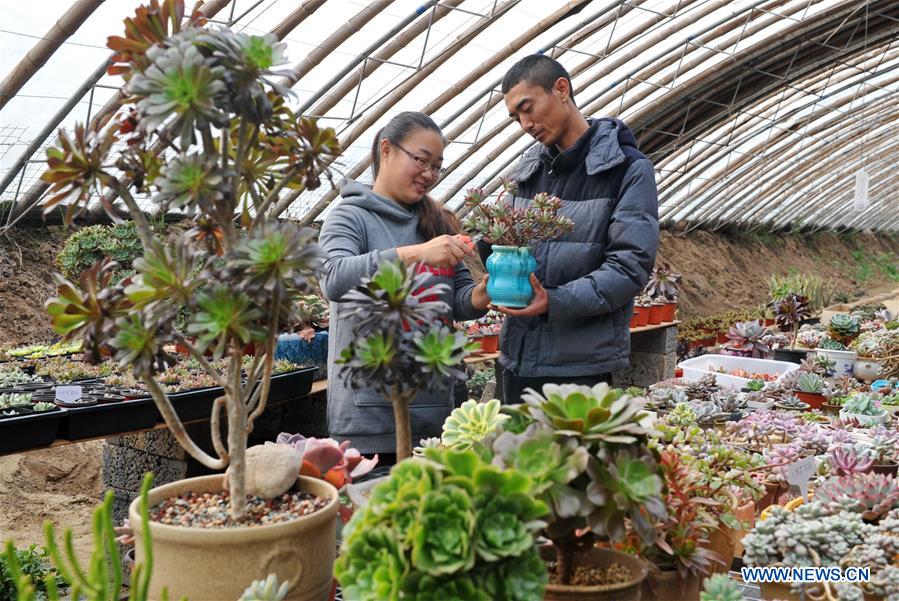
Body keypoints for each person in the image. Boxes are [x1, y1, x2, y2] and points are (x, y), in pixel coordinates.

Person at [480, 54, 660, 404]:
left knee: (574, 460)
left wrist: (554, 301)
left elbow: (629, 266)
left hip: (580, 365)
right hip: (518, 356)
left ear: (561, 89)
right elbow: (505, 248)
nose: (525, 124)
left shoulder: (626, 170)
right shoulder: (527, 171)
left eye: (528, 108)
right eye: (516, 117)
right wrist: (488, 242)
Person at [319, 111, 489, 460]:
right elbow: (333, 278)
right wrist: (416, 254)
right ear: (386, 150)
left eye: (437, 166)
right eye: (421, 161)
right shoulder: (350, 216)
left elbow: (456, 302)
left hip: (435, 414)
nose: (429, 174)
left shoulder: (436, 220)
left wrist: (481, 294)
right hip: (369, 420)